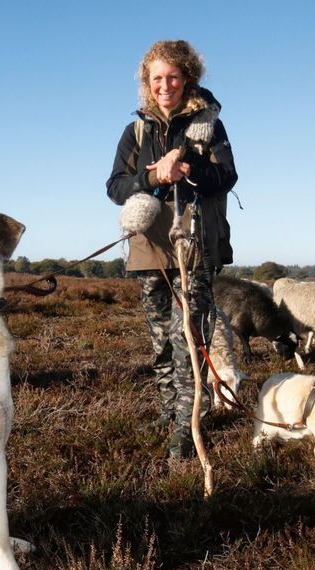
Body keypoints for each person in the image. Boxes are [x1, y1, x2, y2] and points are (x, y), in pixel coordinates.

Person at [106, 39, 238, 460]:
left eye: (173, 77)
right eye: (157, 78)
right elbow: (115, 188)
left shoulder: (209, 126)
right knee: (160, 337)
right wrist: (152, 179)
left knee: (189, 338)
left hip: (195, 245)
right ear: (148, 82)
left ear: (187, 78)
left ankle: (188, 424)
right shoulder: (136, 130)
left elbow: (226, 177)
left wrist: (185, 168)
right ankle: (168, 410)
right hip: (148, 247)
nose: (165, 86)